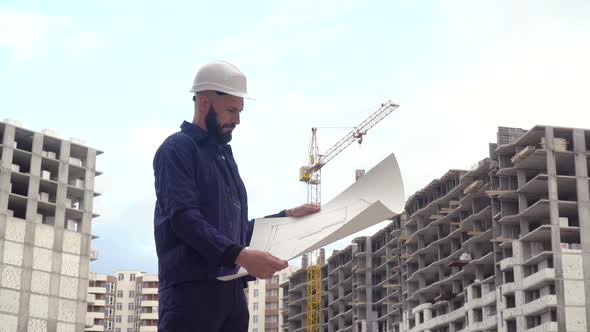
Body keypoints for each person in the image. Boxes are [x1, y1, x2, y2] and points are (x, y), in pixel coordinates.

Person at [153, 60, 320, 332]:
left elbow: (233, 232)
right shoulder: (177, 149)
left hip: (230, 294)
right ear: (204, 103)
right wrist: (240, 255)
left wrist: (285, 217)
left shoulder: (223, 157)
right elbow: (184, 220)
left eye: (240, 111)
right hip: (191, 294)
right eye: (231, 110)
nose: (237, 120)